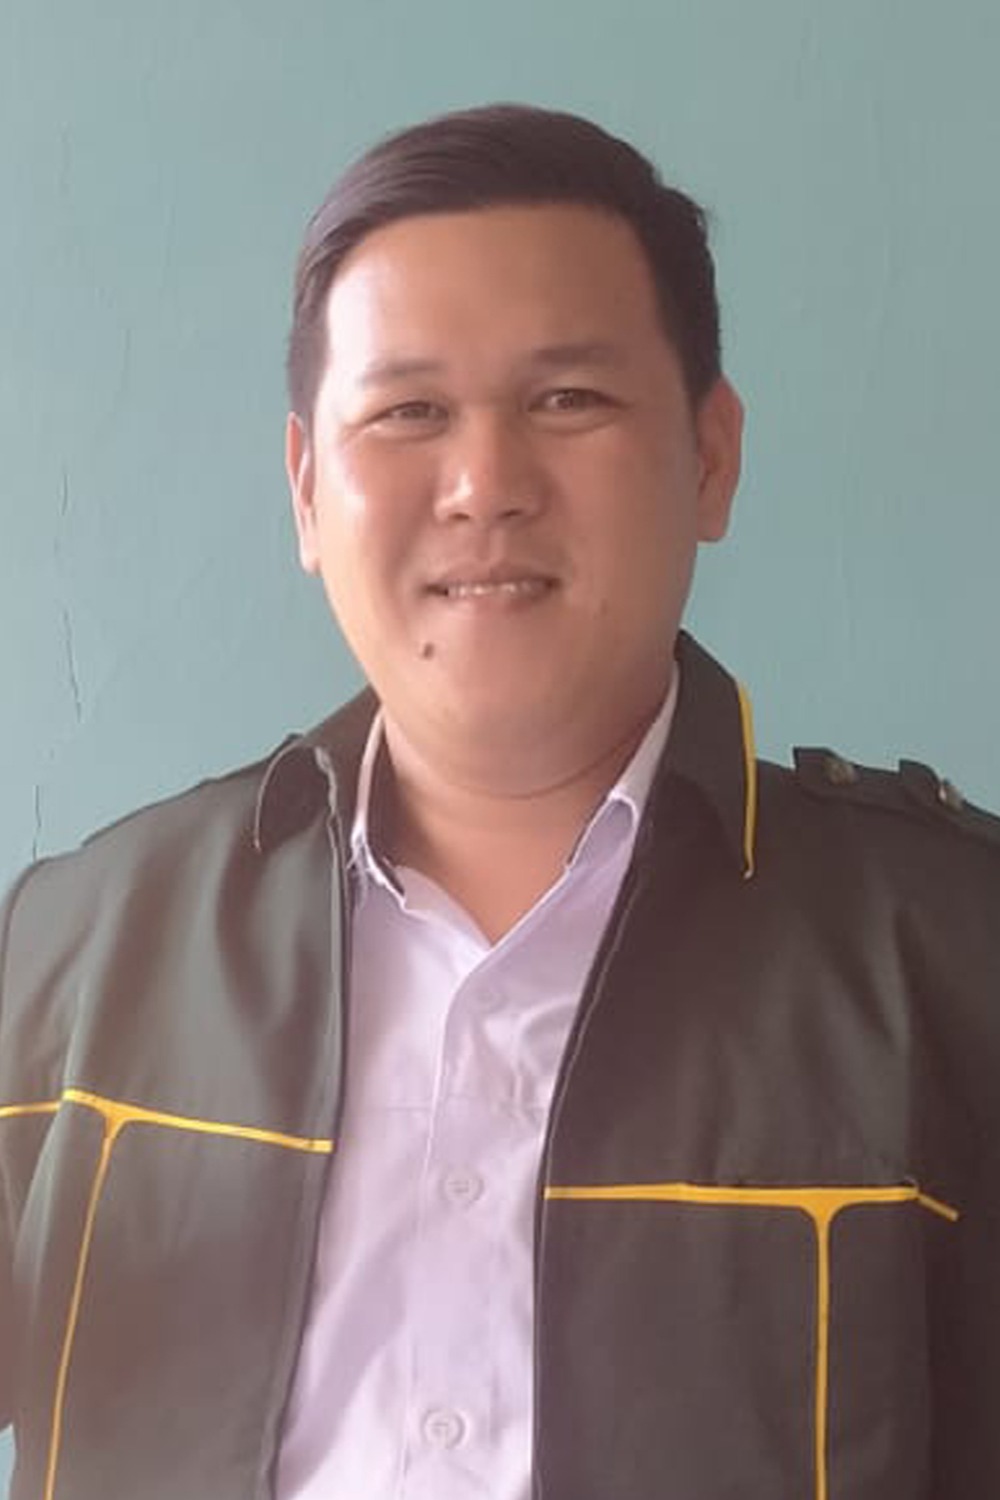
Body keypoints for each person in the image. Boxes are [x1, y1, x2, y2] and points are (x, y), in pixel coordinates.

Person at [1, 103, 998, 1500]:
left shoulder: (953, 957)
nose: (484, 487)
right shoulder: (78, 947)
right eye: (408, 412)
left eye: (567, 400)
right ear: (307, 491)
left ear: (710, 457)